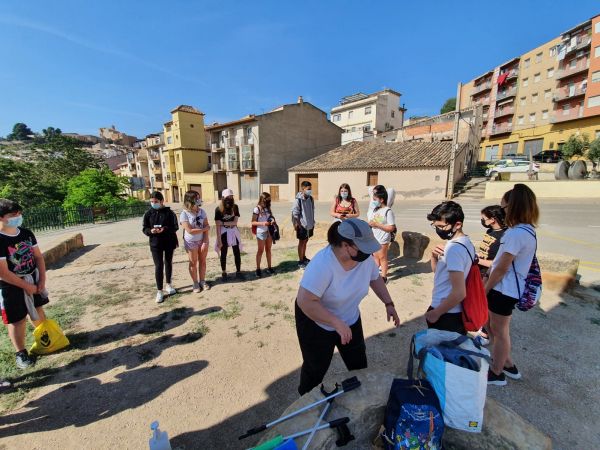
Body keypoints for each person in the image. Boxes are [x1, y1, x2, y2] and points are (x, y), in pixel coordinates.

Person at [295, 219, 400, 395]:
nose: (368, 253)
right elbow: (306, 301)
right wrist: (335, 322)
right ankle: (305, 402)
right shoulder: (323, 264)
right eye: (363, 248)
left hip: (348, 316)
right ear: (345, 245)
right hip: (316, 321)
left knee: (358, 362)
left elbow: (375, 278)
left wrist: (388, 303)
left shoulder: (363, 257)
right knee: (315, 367)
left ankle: (361, 397)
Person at [484, 184, 539, 386]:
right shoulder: (526, 231)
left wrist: (485, 289)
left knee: (499, 332)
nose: (502, 212)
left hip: (503, 290)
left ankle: (497, 372)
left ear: (513, 207)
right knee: (492, 327)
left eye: (504, 207)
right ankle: (507, 364)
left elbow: (501, 268)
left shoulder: (516, 234)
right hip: (506, 289)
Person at [0, 199, 48, 369]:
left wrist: (41, 279)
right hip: (10, 287)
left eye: (19, 213)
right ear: (1, 218)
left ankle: (46, 339)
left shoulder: (26, 233)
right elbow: (3, 273)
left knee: (38, 310)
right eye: (13, 215)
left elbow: (38, 257)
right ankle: (21, 353)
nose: (18, 217)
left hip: (32, 279)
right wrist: (26, 286)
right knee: (17, 320)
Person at [425, 201, 475, 335]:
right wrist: (434, 257)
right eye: (435, 226)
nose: (438, 230)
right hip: (452, 310)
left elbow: (459, 292)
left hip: (446, 313)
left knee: (441, 353)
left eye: (442, 226)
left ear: (457, 224)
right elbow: (439, 273)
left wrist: (436, 313)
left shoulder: (454, 249)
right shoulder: (466, 242)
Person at [142, 191, 179, 303]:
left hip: (169, 241)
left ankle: (168, 285)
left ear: (162, 201)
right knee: (158, 266)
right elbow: (144, 229)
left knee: (168, 262)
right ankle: (159, 291)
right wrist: (151, 231)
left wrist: (165, 229)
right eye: (152, 202)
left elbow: (175, 227)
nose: (154, 203)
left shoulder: (169, 213)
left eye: (156, 201)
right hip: (155, 243)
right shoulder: (148, 214)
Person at [180, 190, 210, 293]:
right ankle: (195, 283)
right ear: (190, 200)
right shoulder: (184, 214)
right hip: (191, 242)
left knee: (203, 261)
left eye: (199, 197)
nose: (199, 200)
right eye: (196, 198)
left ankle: (202, 281)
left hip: (202, 240)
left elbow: (207, 225)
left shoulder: (202, 211)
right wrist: (203, 229)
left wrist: (205, 241)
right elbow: (189, 230)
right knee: (193, 263)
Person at [367, 185, 396, 283]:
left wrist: (377, 225)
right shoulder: (376, 210)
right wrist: (371, 224)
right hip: (374, 237)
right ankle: (375, 274)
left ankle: (384, 277)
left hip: (383, 239)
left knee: (382, 257)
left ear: (382, 200)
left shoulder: (388, 211)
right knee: (375, 257)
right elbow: (374, 222)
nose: (373, 201)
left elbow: (391, 227)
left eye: (375, 199)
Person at [215, 188, 244, 280]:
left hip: (233, 231)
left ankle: (238, 271)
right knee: (223, 253)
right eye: (228, 196)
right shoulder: (218, 209)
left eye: (231, 196)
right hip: (223, 232)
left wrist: (223, 223)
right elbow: (217, 225)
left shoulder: (235, 207)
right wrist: (219, 240)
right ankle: (223, 272)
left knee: (236, 252)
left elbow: (235, 222)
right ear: (223, 198)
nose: (230, 198)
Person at [251, 192, 276, 277]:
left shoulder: (268, 208)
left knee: (268, 249)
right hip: (261, 232)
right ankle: (258, 269)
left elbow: (271, 217)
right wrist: (263, 223)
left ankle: (269, 268)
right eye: (268, 199)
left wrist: (272, 220)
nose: (269, 201)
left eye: (270, 199)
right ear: (263, 199)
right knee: (260, 250)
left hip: (269, 231)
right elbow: (253, 222)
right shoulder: (257, 209)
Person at [292, 181, 315, 269]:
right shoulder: (298, 200)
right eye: (308, 189)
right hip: (302, 226)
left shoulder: (311, 199)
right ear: (303, 189)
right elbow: (295, 213)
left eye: (310, 189)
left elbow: (312, 210)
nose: (310, 191)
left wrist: (312, 223)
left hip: (309, 225)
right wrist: (299, 225)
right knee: (301, 242)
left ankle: (304, 257)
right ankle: (300, 261)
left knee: (306, 241)